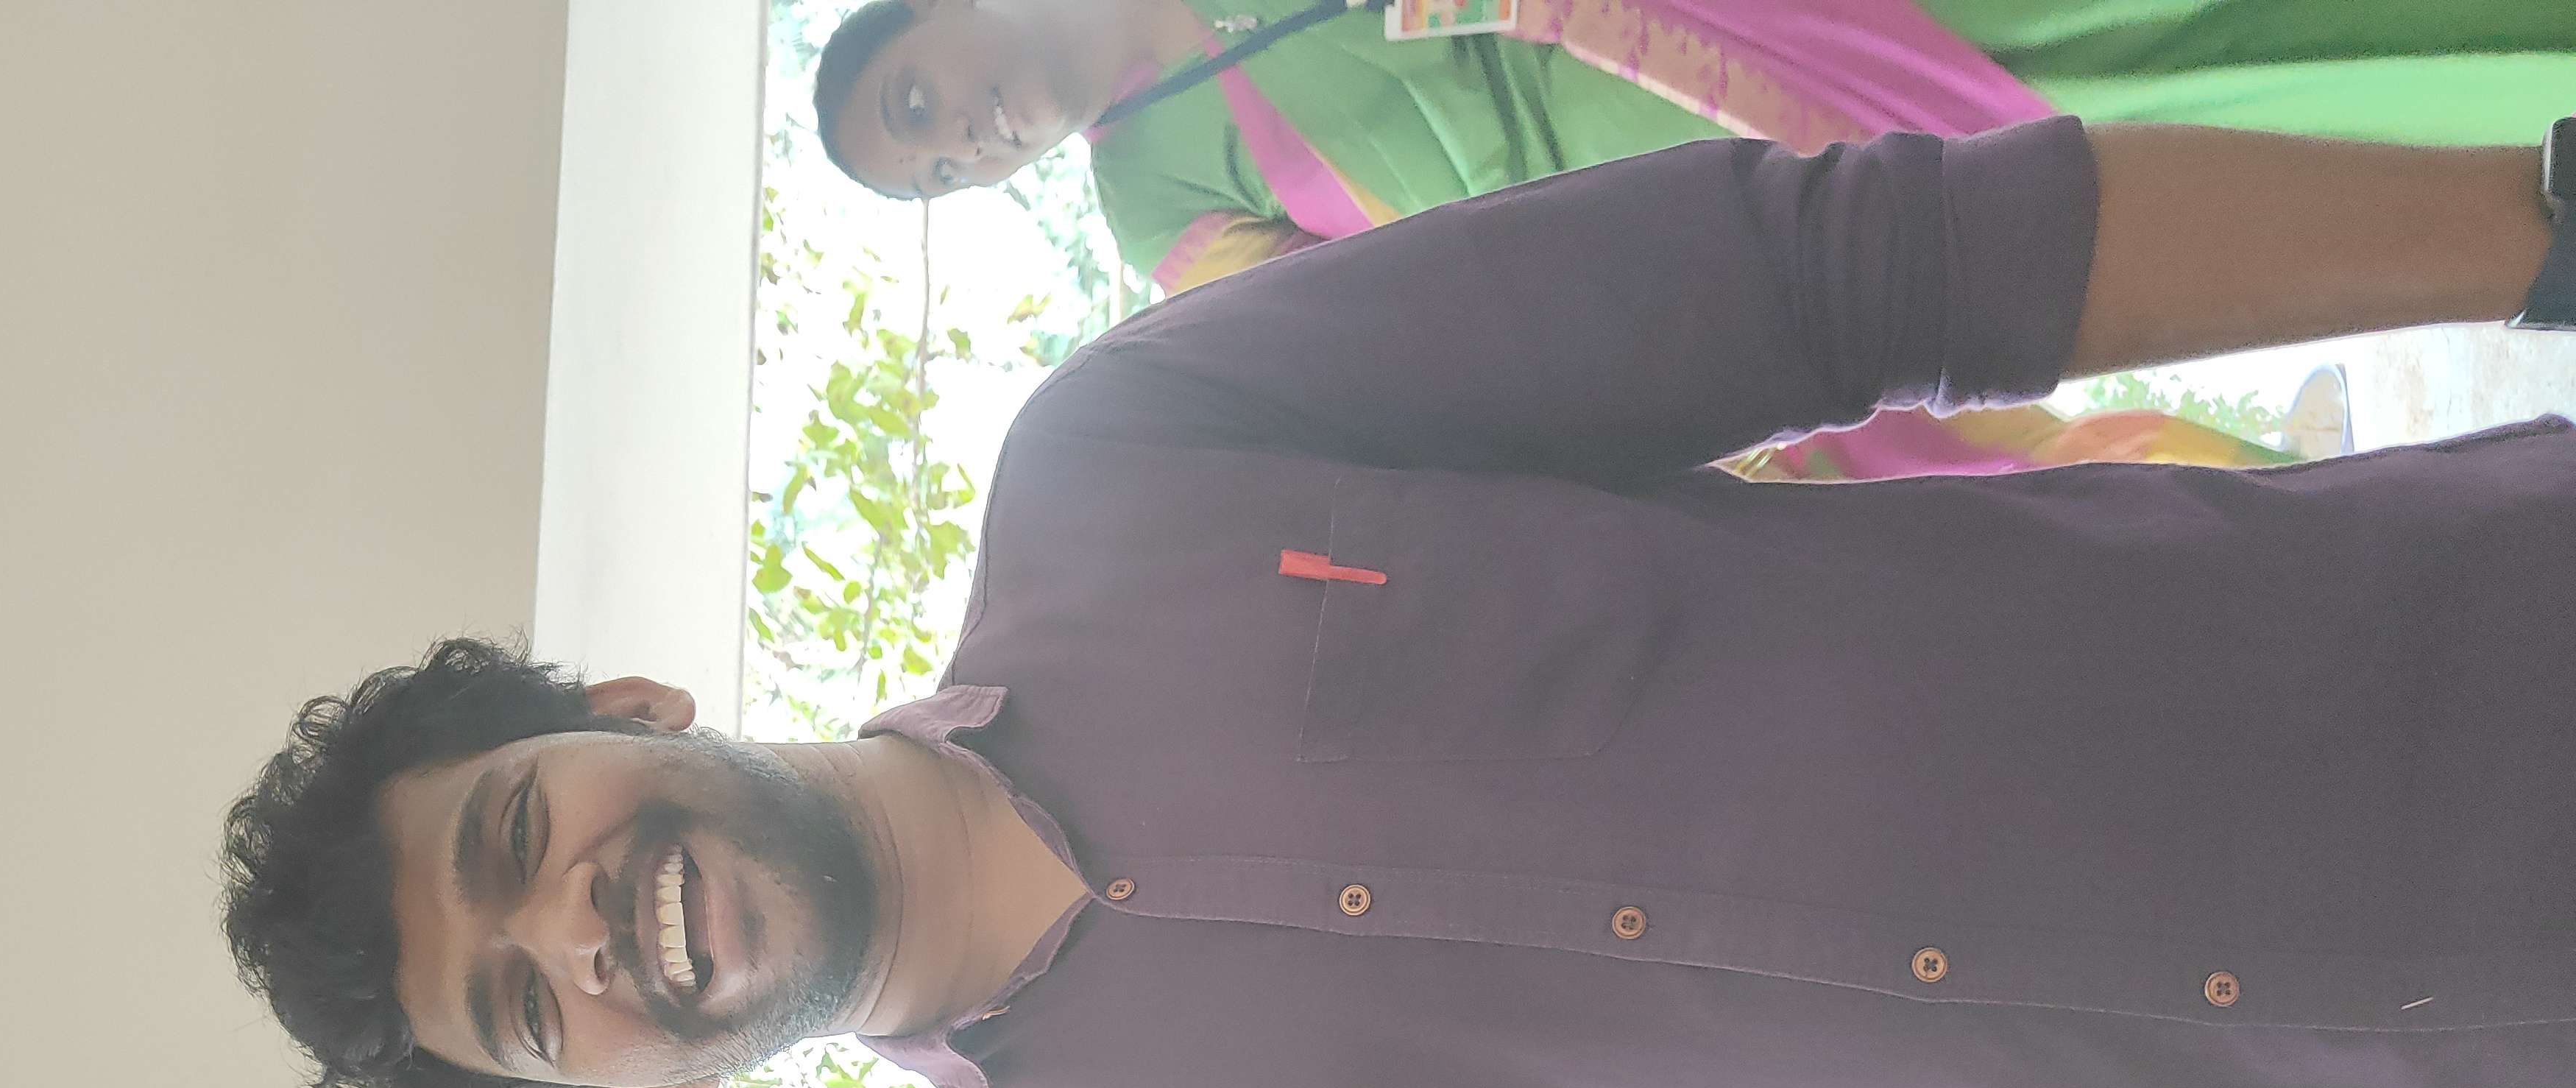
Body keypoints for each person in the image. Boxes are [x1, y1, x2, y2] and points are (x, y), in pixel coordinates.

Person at [222, 119, 2576, 1088]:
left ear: (629, 712)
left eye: (521, 832)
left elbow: (1855, 268)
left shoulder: (1127, 464)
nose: (581, 930)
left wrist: (2540, 222)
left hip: (2479, 636)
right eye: (528, 1006)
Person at [814, 0, 2572, 474]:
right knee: (2103, 191)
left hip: (1733, 13)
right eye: (934, 176)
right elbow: (1382, 335)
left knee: (2138, 36)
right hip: (1694, 214)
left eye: (914, 104)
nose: (961, 145)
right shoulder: (1155, 209)